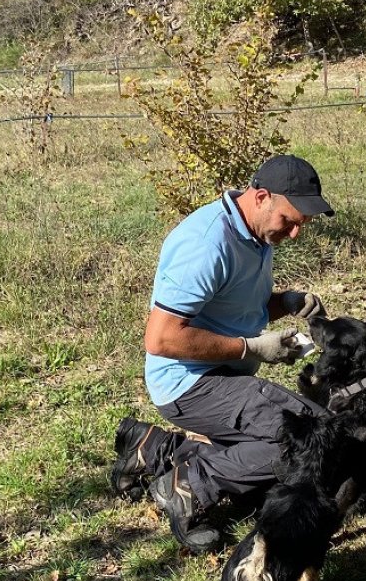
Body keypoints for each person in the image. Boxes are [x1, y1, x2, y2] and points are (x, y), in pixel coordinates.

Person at [110, 154, 334, 553]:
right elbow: (161, 339)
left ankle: (154, 448)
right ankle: (188, 486)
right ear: (262, 196)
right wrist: (251, 348)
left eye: (303, 224)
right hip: (189, 382)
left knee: (297, 442)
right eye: (291, 220)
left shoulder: (255, 232)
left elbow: (240, 308)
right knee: (312, 437)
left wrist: (287, 301)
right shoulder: (207, 244)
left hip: (225, 373)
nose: (296, 232)